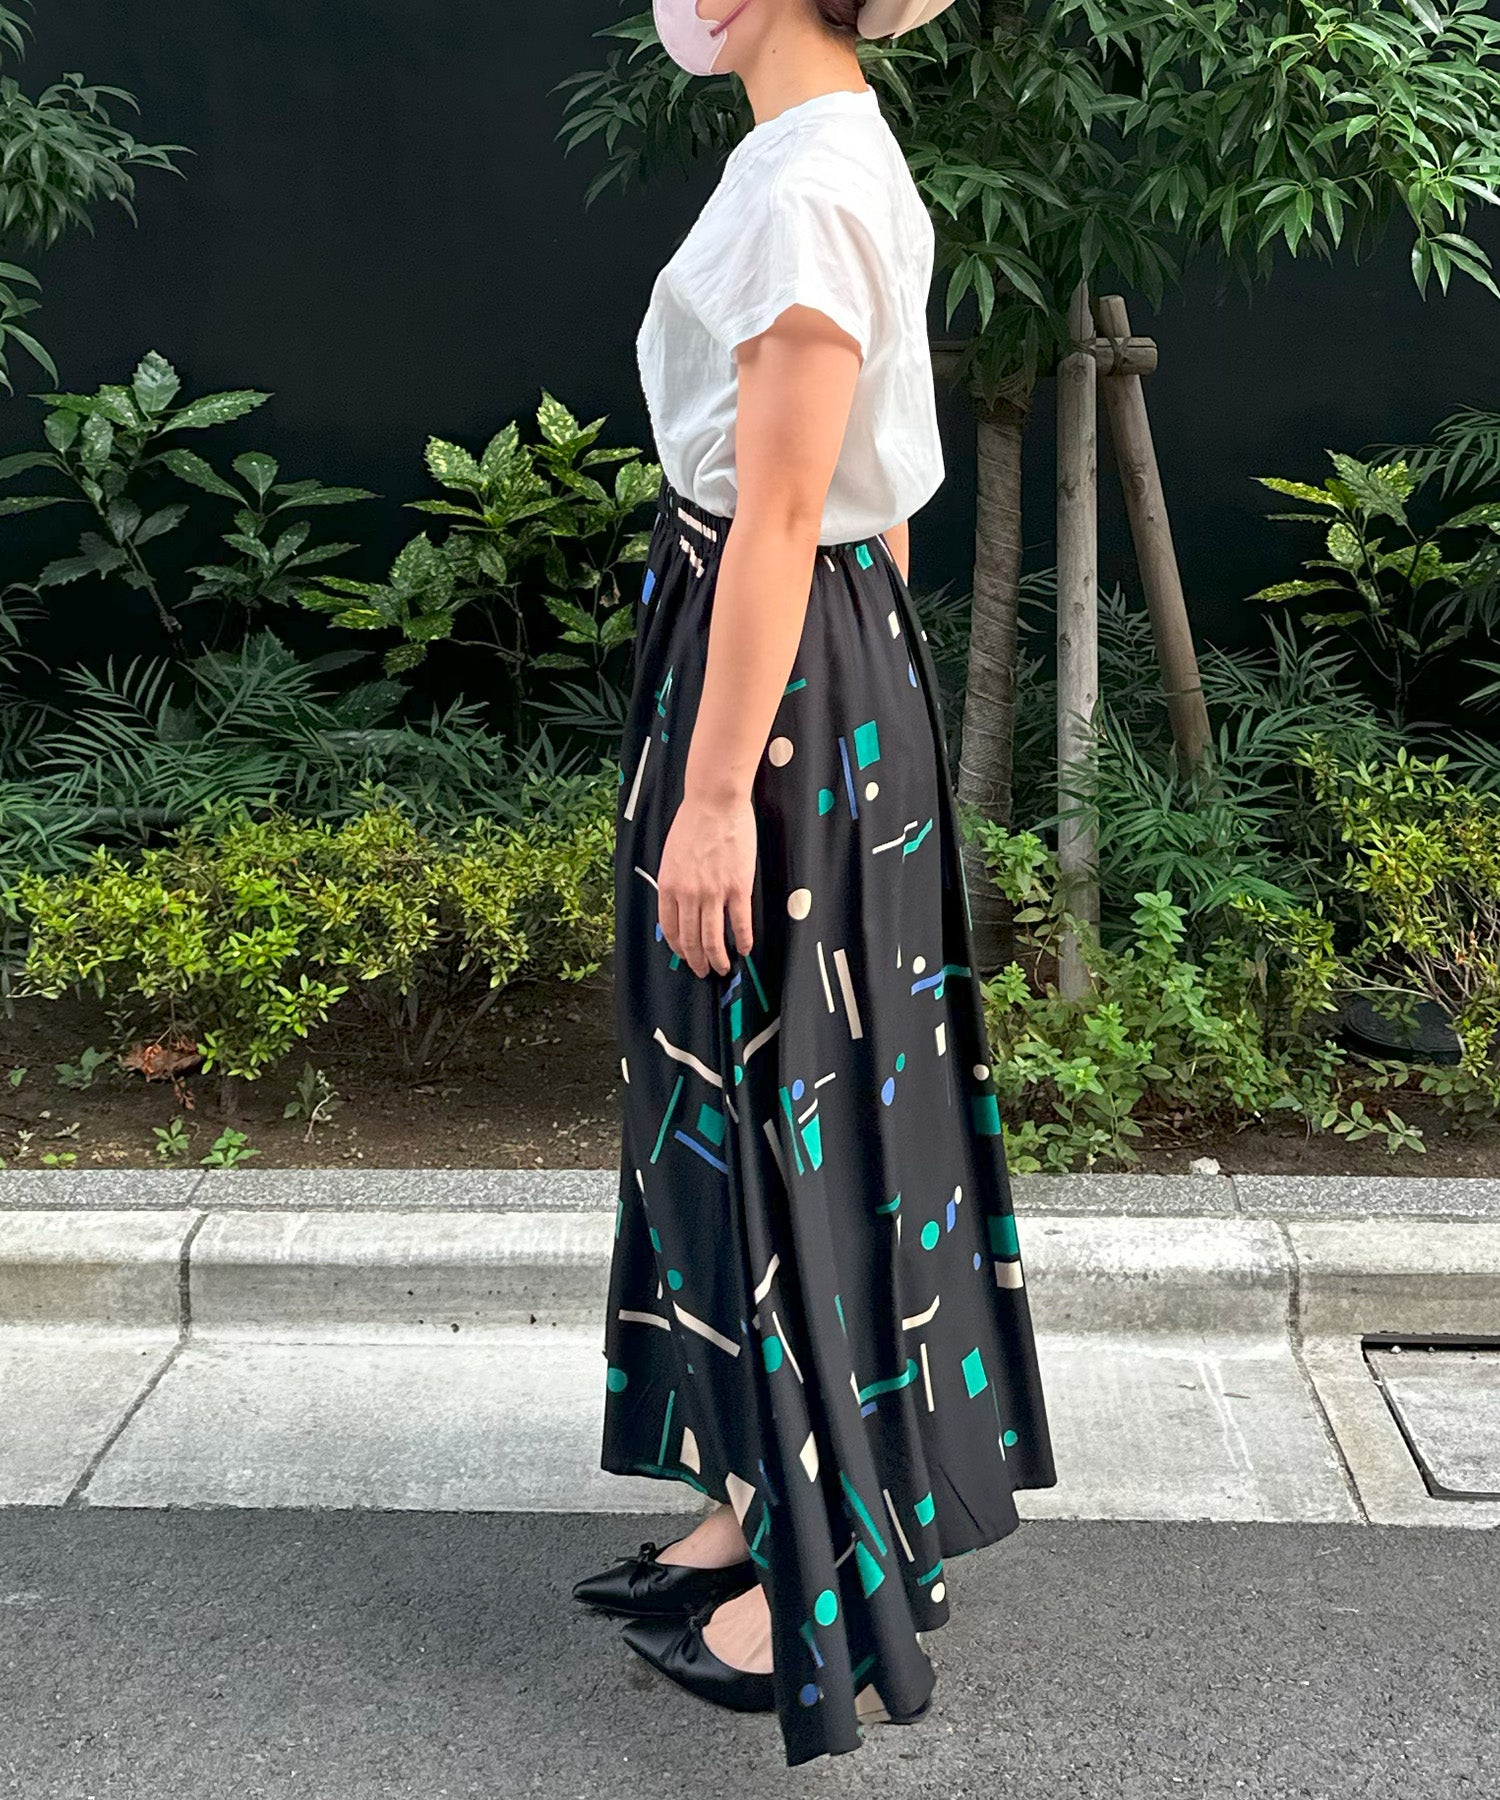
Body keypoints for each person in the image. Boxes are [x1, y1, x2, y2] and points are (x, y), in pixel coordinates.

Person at [571, 0, 1057, 1767]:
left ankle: (815, 1572)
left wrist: (723, 798)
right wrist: (852, 707)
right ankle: (755, 1501)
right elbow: (875, 508)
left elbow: (787, 514)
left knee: (779, 1101)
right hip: (805, 669)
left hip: (770, 683)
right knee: (760, 1092)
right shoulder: (827, 149)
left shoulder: (808, 186)